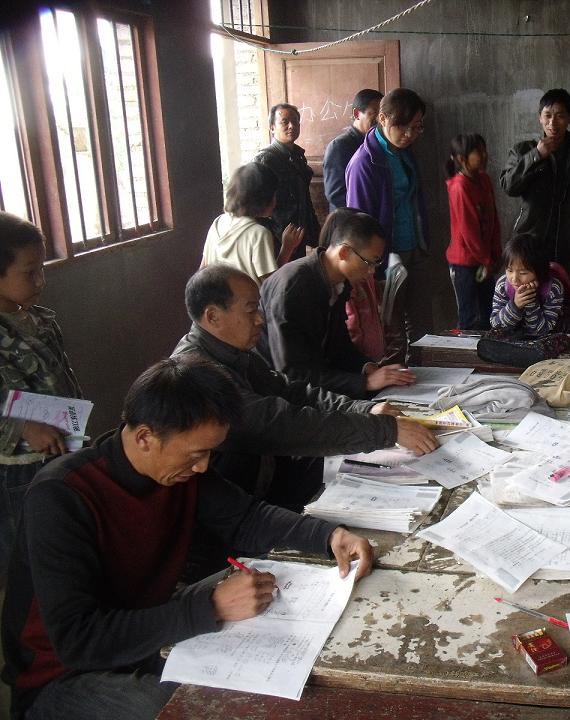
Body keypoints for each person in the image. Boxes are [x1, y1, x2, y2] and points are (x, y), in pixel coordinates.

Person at [1, 356, 378, 719]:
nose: (202, 467)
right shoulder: (62, 496)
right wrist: (210, 607)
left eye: (210, 454)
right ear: (145, 437)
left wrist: (329, 535)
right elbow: (78, 641)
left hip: (146, 622)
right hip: (64, 675)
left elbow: (246, 517)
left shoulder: (179, 471)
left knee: (273, 597)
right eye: (196, 454)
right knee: (203, 708)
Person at [173, 264, 438, 511]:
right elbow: (281, 422)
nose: (260, 320)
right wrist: (385, 430)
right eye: (251, 310)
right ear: (213, 316)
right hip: (240, 505)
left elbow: (291, 390)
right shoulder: (196, 373)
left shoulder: (234, 353)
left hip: (271, 475)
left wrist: (363, 409)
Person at [0, 213, 83, 581]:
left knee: (65, 543)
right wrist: (21, 426)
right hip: (18, 468)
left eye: (42, 268)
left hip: (62, 450)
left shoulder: (39, 320)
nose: (40, 281)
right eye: (29, 272)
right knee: (28, 559)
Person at [258, 209, 416, 399]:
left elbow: (338, 346)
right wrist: (365, 382)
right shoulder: (293, 287)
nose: (372, 272)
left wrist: (367, 367)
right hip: (277, 392)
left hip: (316, 382)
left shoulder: (339, 281)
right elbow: (292, 373)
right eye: (369, 262)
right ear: (344, 252)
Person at [345, 88, 431, 363]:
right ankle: (396, 380)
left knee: (422, 323)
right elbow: (358, 224)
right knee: (391, 329)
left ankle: (426, 375)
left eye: (416, 127)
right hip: (385, 258)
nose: (409, 134)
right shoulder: (364, 162)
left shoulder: (404, 153)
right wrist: (371, 267)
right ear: (382, 118)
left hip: (414, 246)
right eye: (402, 126)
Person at [499, 88, 570, 280]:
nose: (552, 123)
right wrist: (535, 156)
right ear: (539, 117)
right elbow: (509, 186)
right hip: (530, 242)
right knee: (528, 295)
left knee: (560, 295)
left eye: (560, 116)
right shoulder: (522, 150)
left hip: (568, 245)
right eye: (547, 116)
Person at [201, 162, 304, 284]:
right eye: (274, 194)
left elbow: (203, 269)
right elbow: (271, 284)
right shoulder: (259, 234)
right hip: (248, 297)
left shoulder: (218, 222)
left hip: (218, 295)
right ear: (263, 198)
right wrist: (287, 248)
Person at [445, 133, 502, 331]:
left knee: (489, 313)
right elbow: (469, 232)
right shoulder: (459, 187)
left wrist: (496, 254)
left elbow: (494, 219)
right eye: (478, 152)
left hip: (485, 260)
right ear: (462, 159)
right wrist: (487, 260)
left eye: (484, 150)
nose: (484, 155)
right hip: (465, 264)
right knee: (468, 317)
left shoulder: (484, 180)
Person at [254, 103, 319, 258]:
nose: (292, 126)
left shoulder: (298, 156)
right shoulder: (265, 160)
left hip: (297, 234)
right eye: (285, 122)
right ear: (272, 127)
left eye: (295, 122)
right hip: (278, 238)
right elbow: (257, 207)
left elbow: (304, 198)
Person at [490, 232, 568, 337]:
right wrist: (515, 306)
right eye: (509, 270)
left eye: (523, 273)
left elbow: (542, 331)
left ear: (539, 271)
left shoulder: (553, 289)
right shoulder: (503, 286)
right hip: (511, 340)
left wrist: (530, 301)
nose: (514, 279)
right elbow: (496, 326)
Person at [323, 89, 383, 211]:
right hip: (350, 218)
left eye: (382, 114)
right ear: (356, 114)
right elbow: (336, 194)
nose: (380, 120)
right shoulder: (339, 146)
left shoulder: (377, 144)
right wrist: (363, 210)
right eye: (374, 113)